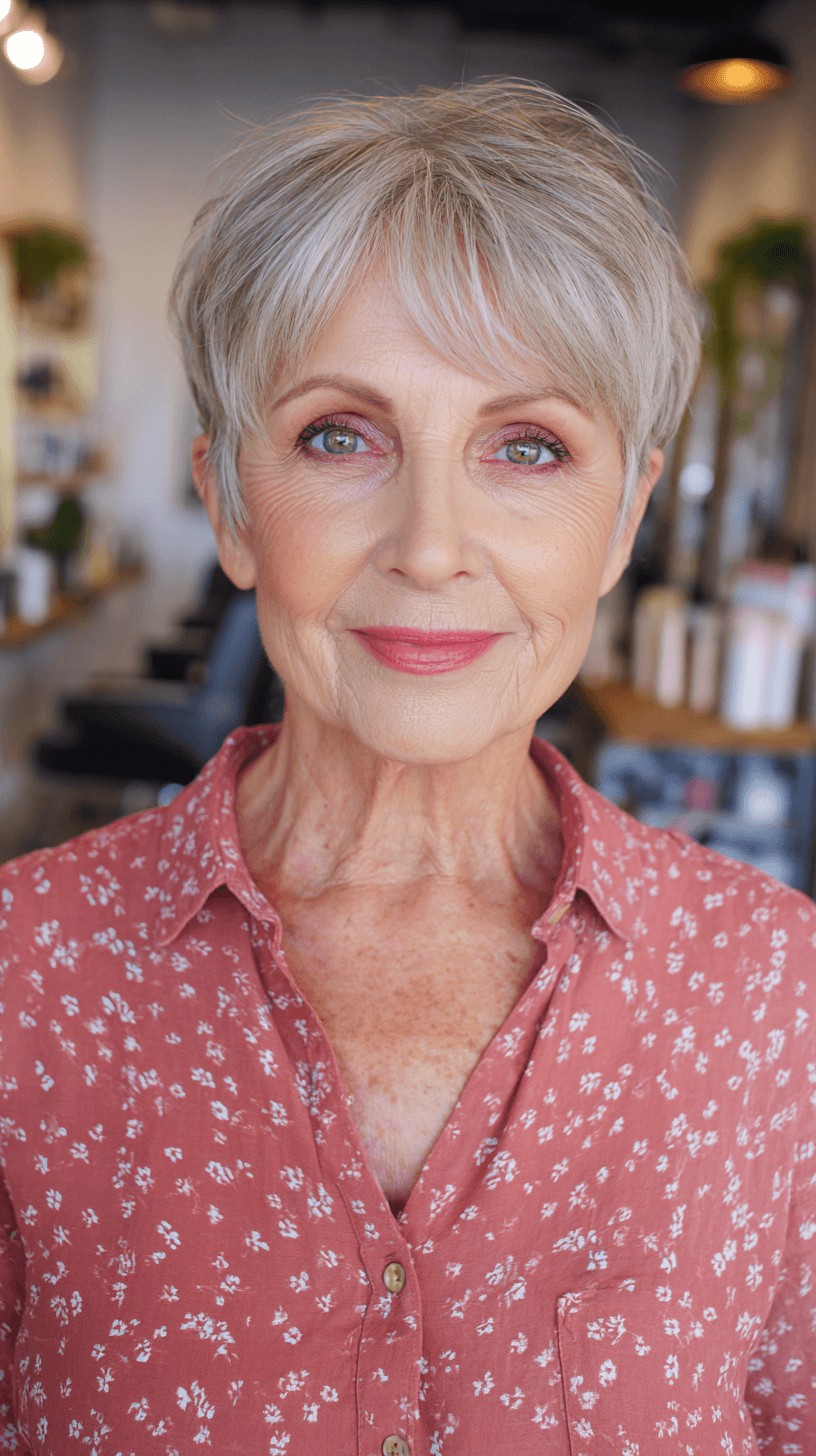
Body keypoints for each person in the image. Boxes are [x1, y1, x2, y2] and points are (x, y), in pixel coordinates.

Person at [0, 76, 813, 1456]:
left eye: (527, 447)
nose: (431, 547)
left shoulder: (778, 999)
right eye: (341, 435)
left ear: (623, 522)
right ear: (230, 502)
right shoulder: (28, 980)